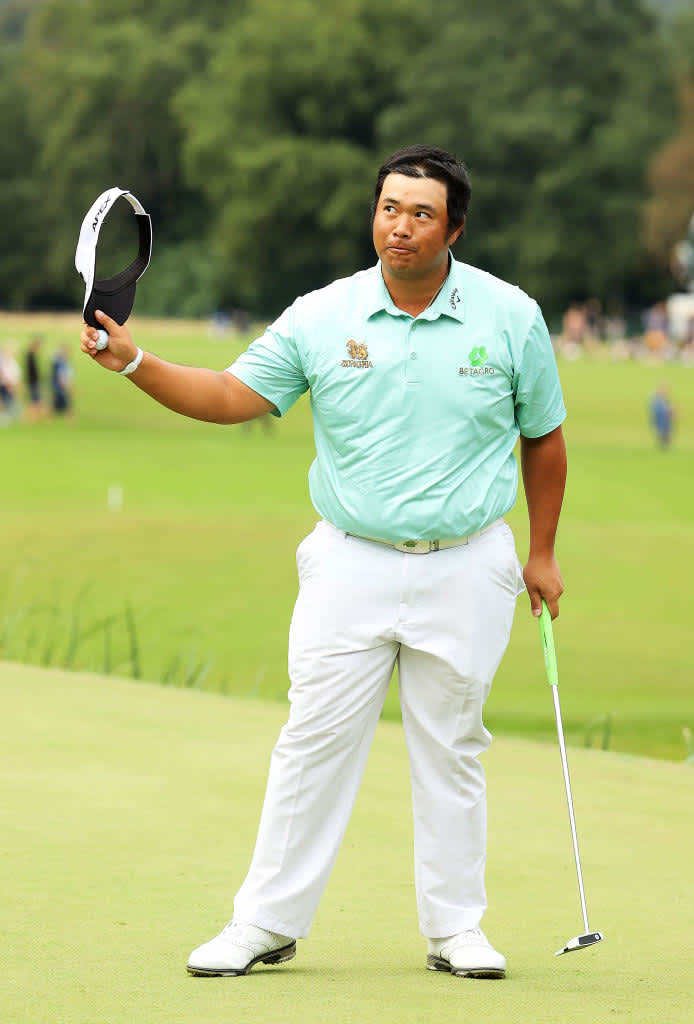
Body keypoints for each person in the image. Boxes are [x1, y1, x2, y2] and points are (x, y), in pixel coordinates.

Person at [80, 144, 567, 980]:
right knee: (312, 742)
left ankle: (456, 929)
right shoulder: (321, 313)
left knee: (452, 746)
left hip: (469, 561)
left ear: (454, 227)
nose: (400, 226)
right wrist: (135, 362)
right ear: (372, 214)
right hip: (349, 563)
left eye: (420, 213)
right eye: (388, 207)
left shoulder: (510, 315)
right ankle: (264, 921)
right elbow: (234, 396)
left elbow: (545, 438)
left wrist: (545, 553)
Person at [50, 345, 74, 416]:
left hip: (59, 387)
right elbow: (62, 376)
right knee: (66, 405)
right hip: (61, 388)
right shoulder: (60, 363)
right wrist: (67, 386)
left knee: (57, 404)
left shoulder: (62, 362)